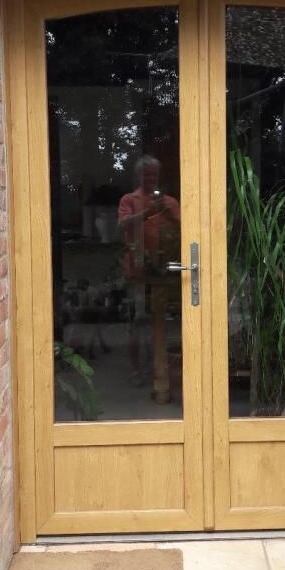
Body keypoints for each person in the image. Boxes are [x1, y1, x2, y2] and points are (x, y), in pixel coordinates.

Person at [117, 155, 180, 396]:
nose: (151, 178)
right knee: (136, 322)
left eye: (154, 174)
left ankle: (161, 368)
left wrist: (168, 213)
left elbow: (186, 229)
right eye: (147, 174)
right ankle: (136, 369)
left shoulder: (170, 201)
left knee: (163, 321)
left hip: (165, 272)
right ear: (138, 176)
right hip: (137, 272)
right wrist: (146, 213)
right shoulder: (129, 200)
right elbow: (121, 226)